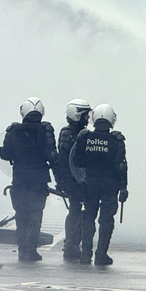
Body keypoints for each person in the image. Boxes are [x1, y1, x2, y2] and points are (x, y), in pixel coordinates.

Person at [1, 97, 58, 262]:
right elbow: (52, 155)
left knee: (21, 215)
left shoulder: (13, 130)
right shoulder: (46, 130)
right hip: (39, 179)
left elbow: (5, 154)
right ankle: (31, 250)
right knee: (35, 215)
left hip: (19, 178)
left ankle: (22, 250)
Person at [70, 103, 127, 266]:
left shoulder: (85, 137)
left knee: (88, 217)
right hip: (110, 185)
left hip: (90, 183)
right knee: (106, 220)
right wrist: (123, 187)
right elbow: (121, 166)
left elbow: (76, 161)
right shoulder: (116, 140)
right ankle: (101, 255)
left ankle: (85, 254)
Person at [56, 99, 91, 262]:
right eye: (85, 115)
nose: (88, 118)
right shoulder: (67, 133)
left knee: (77, 211)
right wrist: (64, 181)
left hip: (79, 178)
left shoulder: (83, 133)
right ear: (77, 115)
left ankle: (73, 243)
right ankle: (71, 244)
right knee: (75, 210)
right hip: (73, 179)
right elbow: (64, 159)